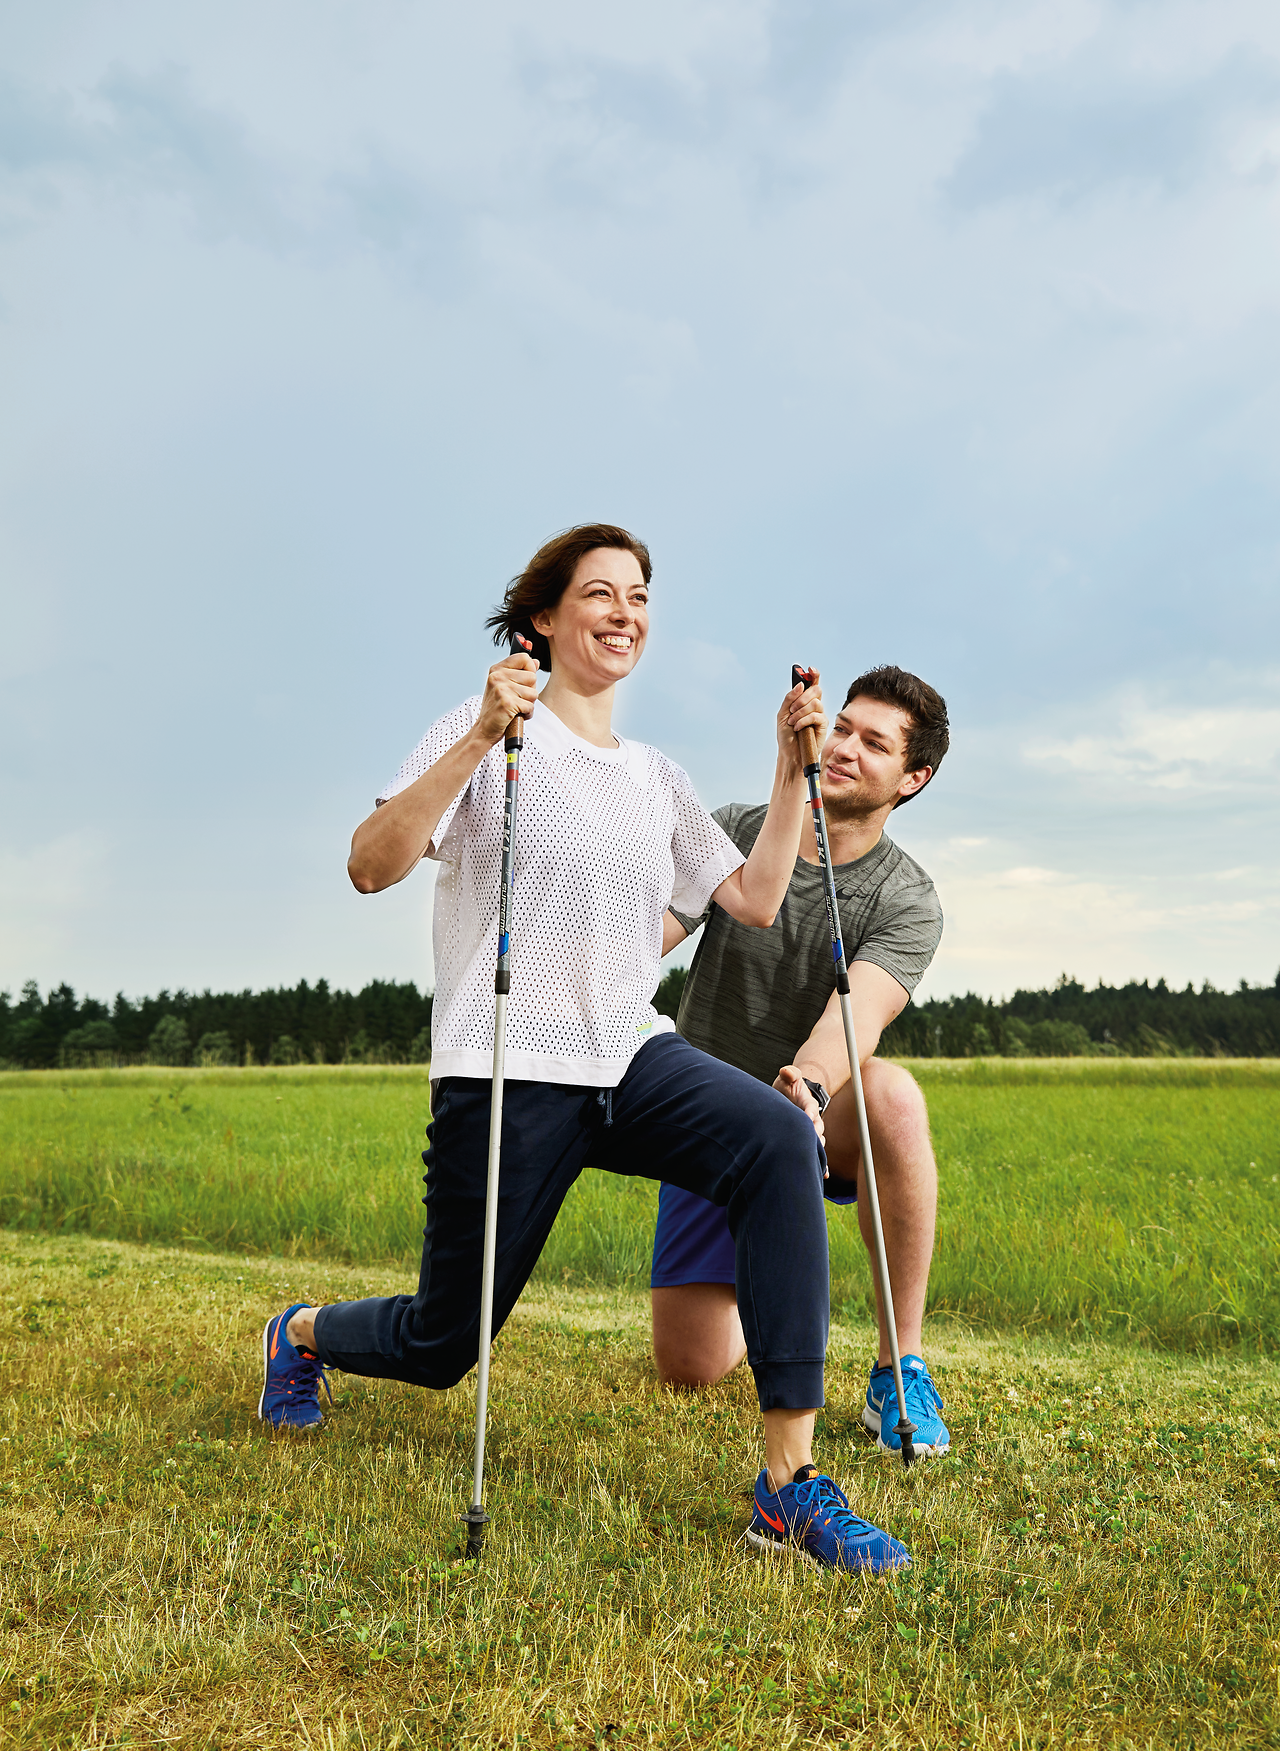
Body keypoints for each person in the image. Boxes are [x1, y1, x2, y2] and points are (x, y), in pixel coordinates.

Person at [256, 524, 910, 1574]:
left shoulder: (652, 775)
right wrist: (476, 737)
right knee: (441, 1343)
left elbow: (746, 897)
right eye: (598, 593)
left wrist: (789, 773)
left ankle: (786, 1488)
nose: (623, 612)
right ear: (543, 620)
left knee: (775, 1141)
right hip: (508, 1063)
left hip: (629, 1053)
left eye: (639, 595)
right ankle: (300, 1334)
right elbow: (369, 866)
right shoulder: (485, 733)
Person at [652, 664, 951, 1457]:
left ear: (912, 779)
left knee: (891, 1095)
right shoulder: (733, 829)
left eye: (874, 743)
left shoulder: (907, 899)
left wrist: (809, 1084)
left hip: (812, 1116)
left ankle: (898, 1366)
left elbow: (857, 1018)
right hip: (707, 1117)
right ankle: (772, 1289)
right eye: (843, 727)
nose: (847, 747)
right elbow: (647, 938)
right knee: (690, 1366)